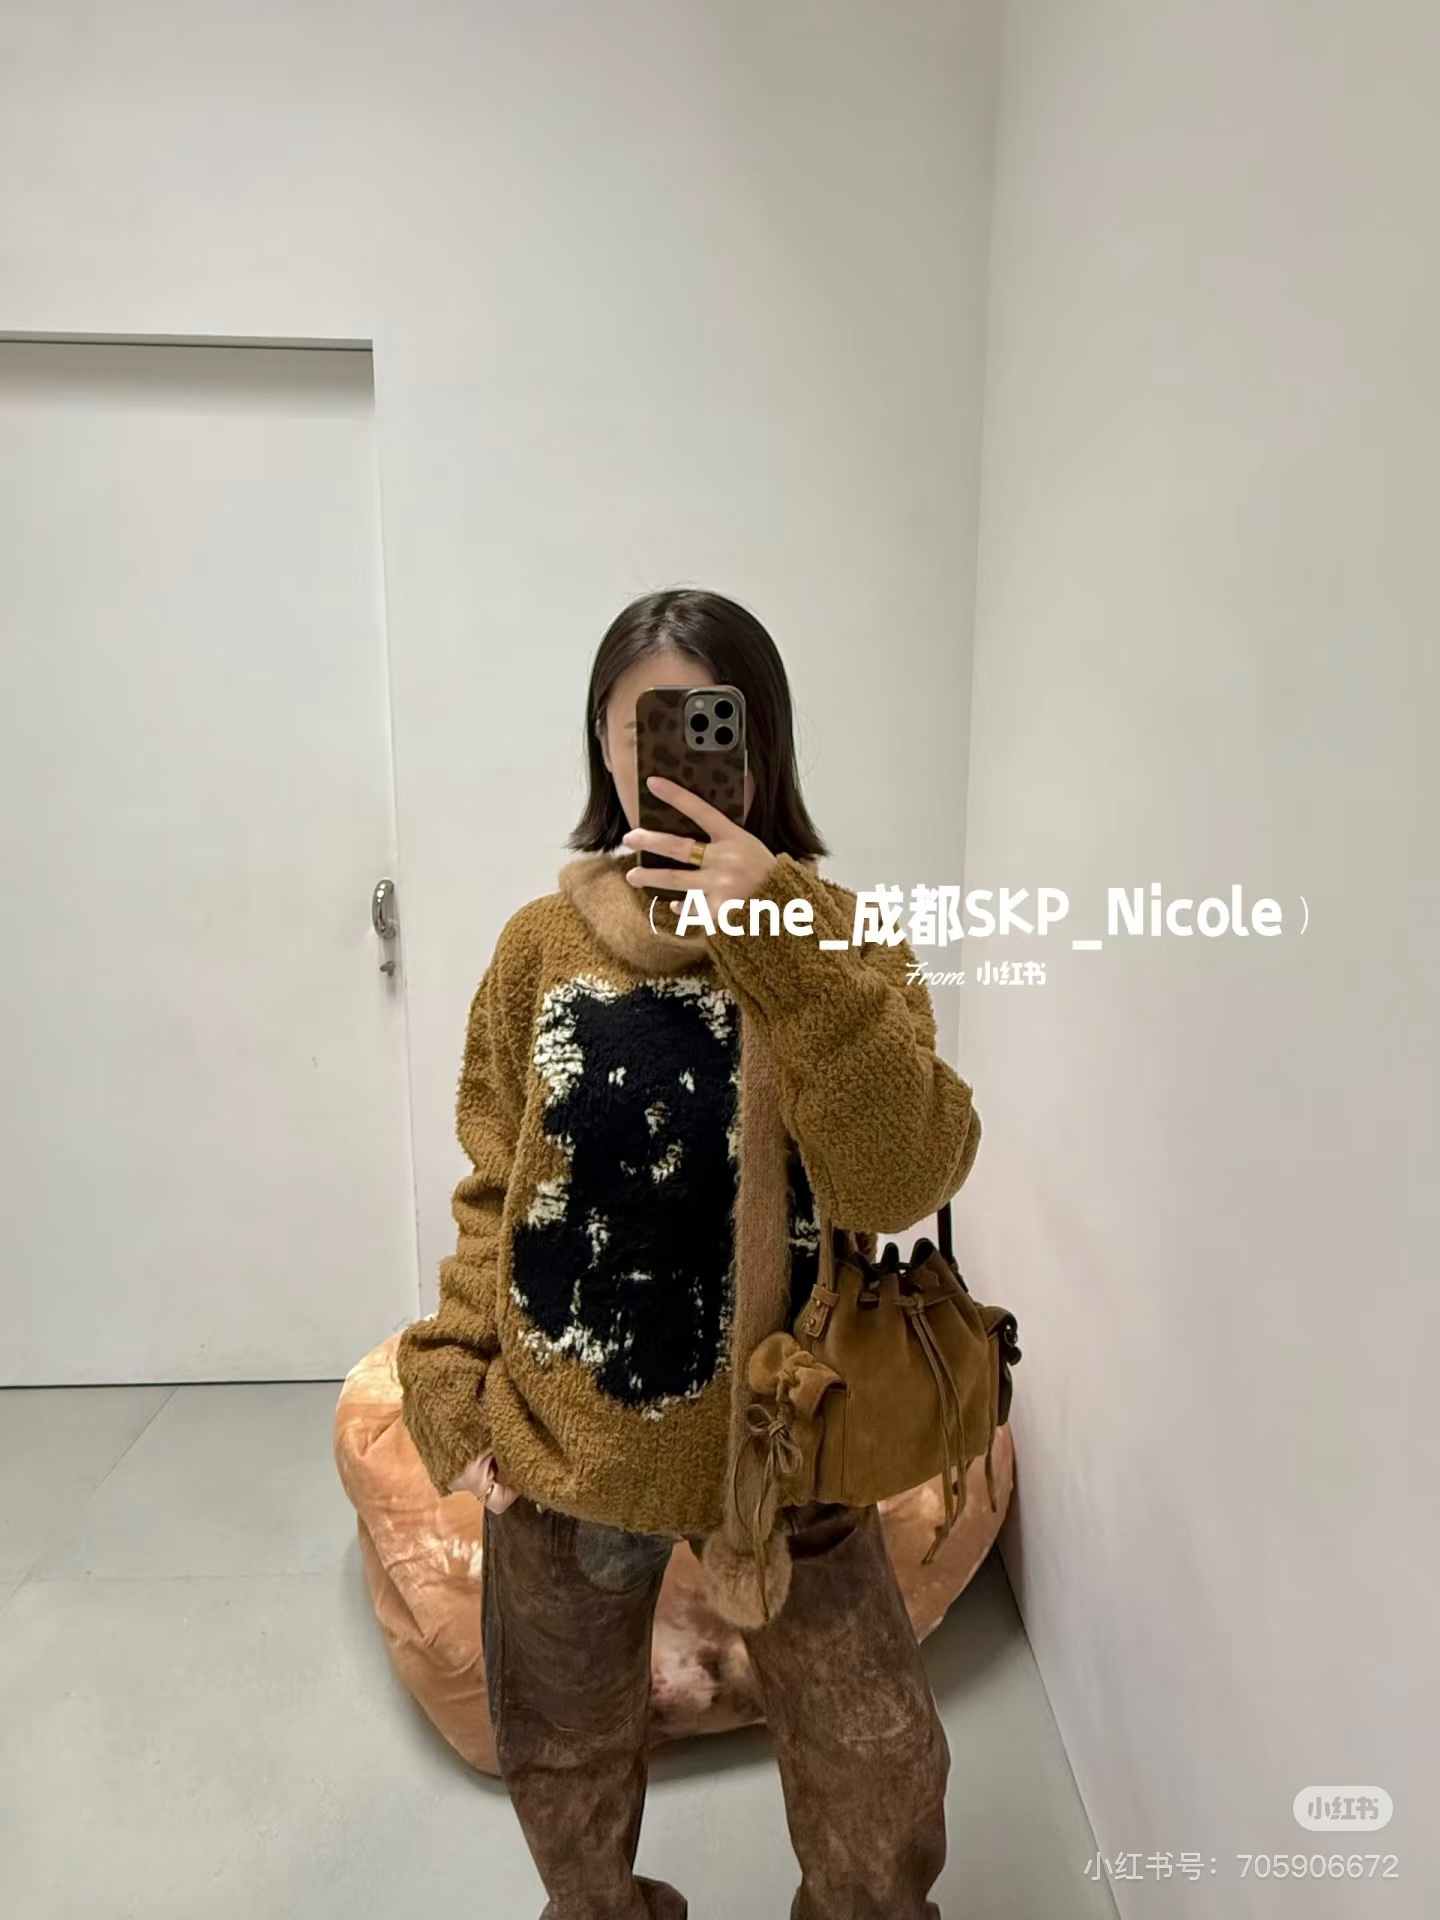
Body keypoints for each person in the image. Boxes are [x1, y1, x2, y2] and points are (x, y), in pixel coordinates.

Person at [397, 586, 981, 1920]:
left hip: (789, 1447)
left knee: (882, 1773)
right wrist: (455, 1379)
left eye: (709, 723)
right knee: (563, 1762)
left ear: (761, 743)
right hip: (567, 1450)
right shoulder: (539, 948)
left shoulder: (840, 938)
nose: (672, 754)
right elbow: (498, 1188)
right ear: (605, 750)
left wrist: (779, 933)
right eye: (641, 726)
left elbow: (902, 1179)